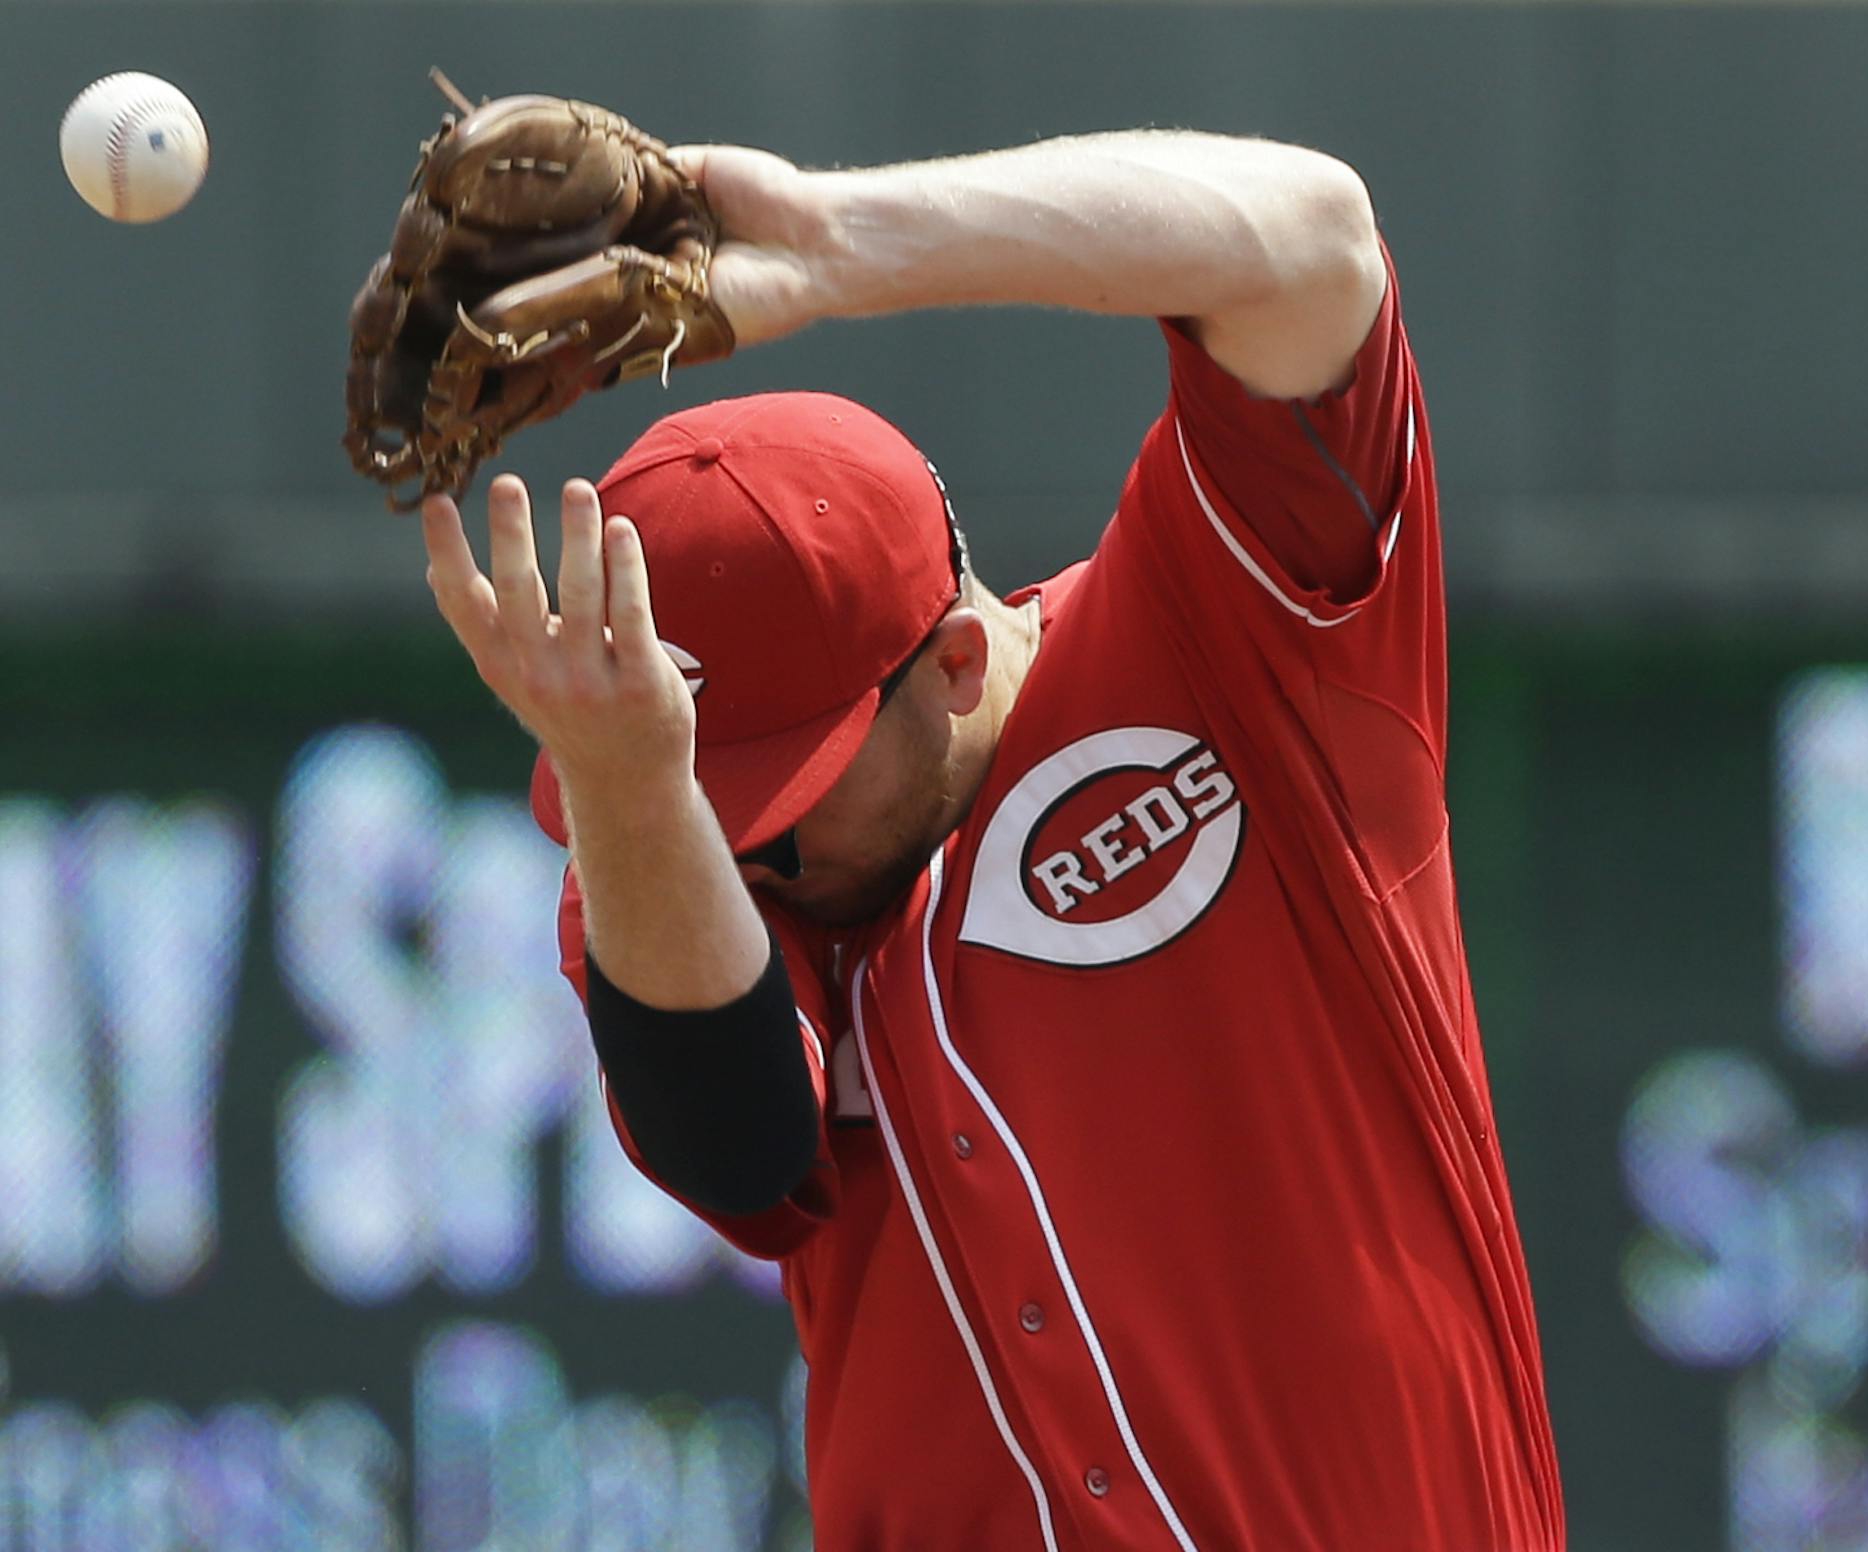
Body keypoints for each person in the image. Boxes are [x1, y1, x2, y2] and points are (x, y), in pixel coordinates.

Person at [419, 127, 1565, 1550]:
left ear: (955, 661)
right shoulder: (664, 833)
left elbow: (1317, 239)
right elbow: (737, 1149)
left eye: (786, 787)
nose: (753, 852)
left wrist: (839, 248)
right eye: (705, 793)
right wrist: (631, 786)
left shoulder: (1235, 643)